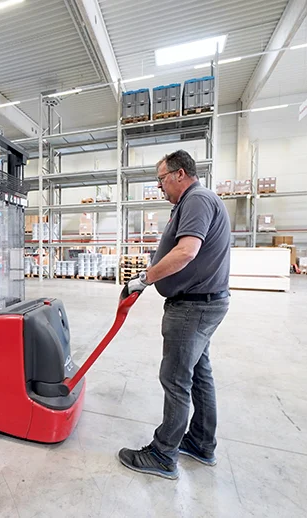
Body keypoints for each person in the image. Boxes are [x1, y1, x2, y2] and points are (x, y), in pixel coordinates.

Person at [117, 149, 231, 480]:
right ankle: (200, 443)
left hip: (193, 306)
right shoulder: (193, 201)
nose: (160, 187)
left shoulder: (196, 199)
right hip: (203, 302)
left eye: (161, 179)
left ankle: (164, 454)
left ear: (180, 174)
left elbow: (186, 251)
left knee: (176, 377)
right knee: (199, 374)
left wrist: (144, 278)